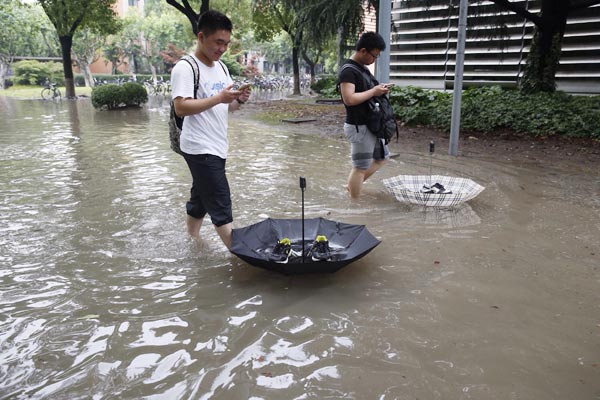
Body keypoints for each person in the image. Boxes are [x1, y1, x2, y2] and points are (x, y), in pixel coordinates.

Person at [171, 10, 250, 249]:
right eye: (218, 42)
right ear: (201, 36)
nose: (222, 48)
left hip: (217, 145)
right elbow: (181, 107)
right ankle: (242, 260)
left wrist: (240, 100)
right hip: (199, 147)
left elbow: (226, 107)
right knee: (221, 205)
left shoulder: (221, 68)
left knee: (200, 199)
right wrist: (219, 98)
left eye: (226, 43)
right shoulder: (185, 68)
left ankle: (192, 241)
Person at [338, 32, 392, 198]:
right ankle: (355, 203)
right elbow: (349, 99)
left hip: (371, 124)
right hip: (359, 126)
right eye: (374, 56)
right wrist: (374, 91)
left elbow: (366, 92)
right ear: (363, 51)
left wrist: (378, 90)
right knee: (360, 167)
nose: (374, 60)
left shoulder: (363, 69)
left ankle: (353, 185)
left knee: (382, 158)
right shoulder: (348, 71)